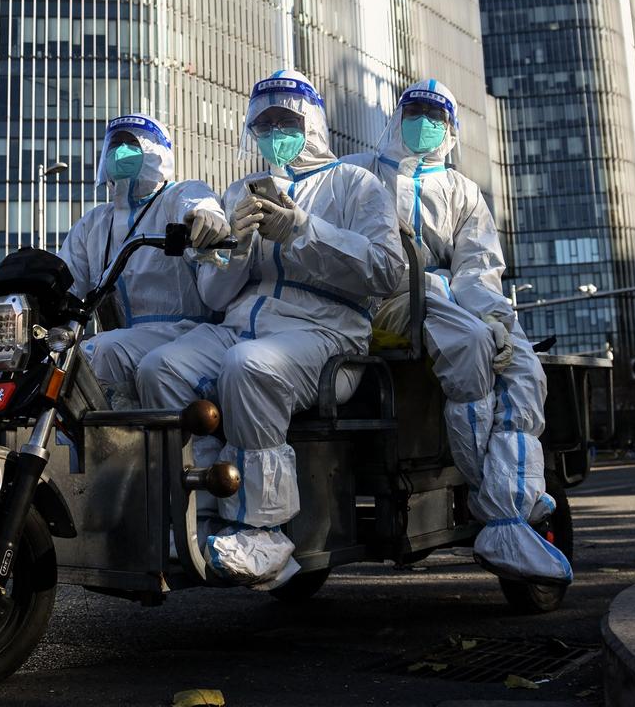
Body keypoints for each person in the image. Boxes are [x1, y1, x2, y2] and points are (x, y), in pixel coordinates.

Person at [138, 70, 403, 586]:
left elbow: (386, 270)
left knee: (249, 367)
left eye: (285, 120)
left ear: (313, 124)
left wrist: (304, 231)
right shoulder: (242, 191)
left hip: (327, 334)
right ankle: (207, 513)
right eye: (263, 124)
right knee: (160, 368)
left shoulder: (354, 183)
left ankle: (264, 529)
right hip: (243, 327)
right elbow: (214, 297)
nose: (274, 132)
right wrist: (228, 250)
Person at [343, 79, 572, 585]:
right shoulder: (360, 173)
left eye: (436, 116)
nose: (424, 123)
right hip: (383, 307)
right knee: (469, 345)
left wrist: (495, 316)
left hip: (448, 306)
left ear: (450, 130)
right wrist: (444, 293)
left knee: (520, 363)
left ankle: (511, 506)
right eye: (416, 111)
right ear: (396, 117)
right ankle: (502, 511)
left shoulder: (463, 191)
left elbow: (479, 269)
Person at [58, 113, 229, 408]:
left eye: (131, 144)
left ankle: (181, 451)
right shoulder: (96, 222)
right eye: (114, 145)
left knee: (103, 353)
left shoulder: (177, 195)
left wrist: (206, 218)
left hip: (187, 332)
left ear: (155, 153)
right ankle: (110, 449)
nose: (119, 152)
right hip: (129, 339)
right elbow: (66, 279)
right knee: (73, 365)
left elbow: (198, 205)